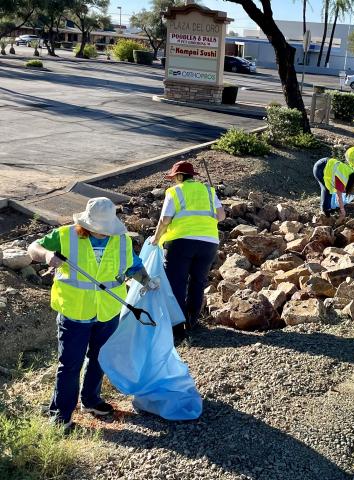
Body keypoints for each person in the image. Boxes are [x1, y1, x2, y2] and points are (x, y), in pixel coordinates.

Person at [28, 197, 159, 431]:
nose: (103, 234)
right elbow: (33, 247)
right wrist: (47, 256)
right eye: (98, 229)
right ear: (86, 223)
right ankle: (61, 416)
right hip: (75, 312)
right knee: (70, 364)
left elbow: (133, 266)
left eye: (106, 230)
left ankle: (91, 400)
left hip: (107, 312)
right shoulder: (65, 235)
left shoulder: (121, 241)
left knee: (99, 359)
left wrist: (147, 281)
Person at [151, 161, 225, 341]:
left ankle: (177, 327)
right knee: (198, 281)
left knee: (176, 282)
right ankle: (192, 321)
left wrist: (156, 238)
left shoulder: (175, 192)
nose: (173, 181)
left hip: (180, 242)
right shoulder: (208, 191)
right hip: (209, 243)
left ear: (179, 176)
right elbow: (221, 216)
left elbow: (165, 220)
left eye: (174, 178)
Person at [313, 157, 354, 222]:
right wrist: (342, 210)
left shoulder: (352, 173)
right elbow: (339, 197)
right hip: (319, 168)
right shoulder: (342, 180)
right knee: (327, 190)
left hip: (326, 162)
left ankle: (329, 207)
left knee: (330, 190)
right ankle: (325, 211)